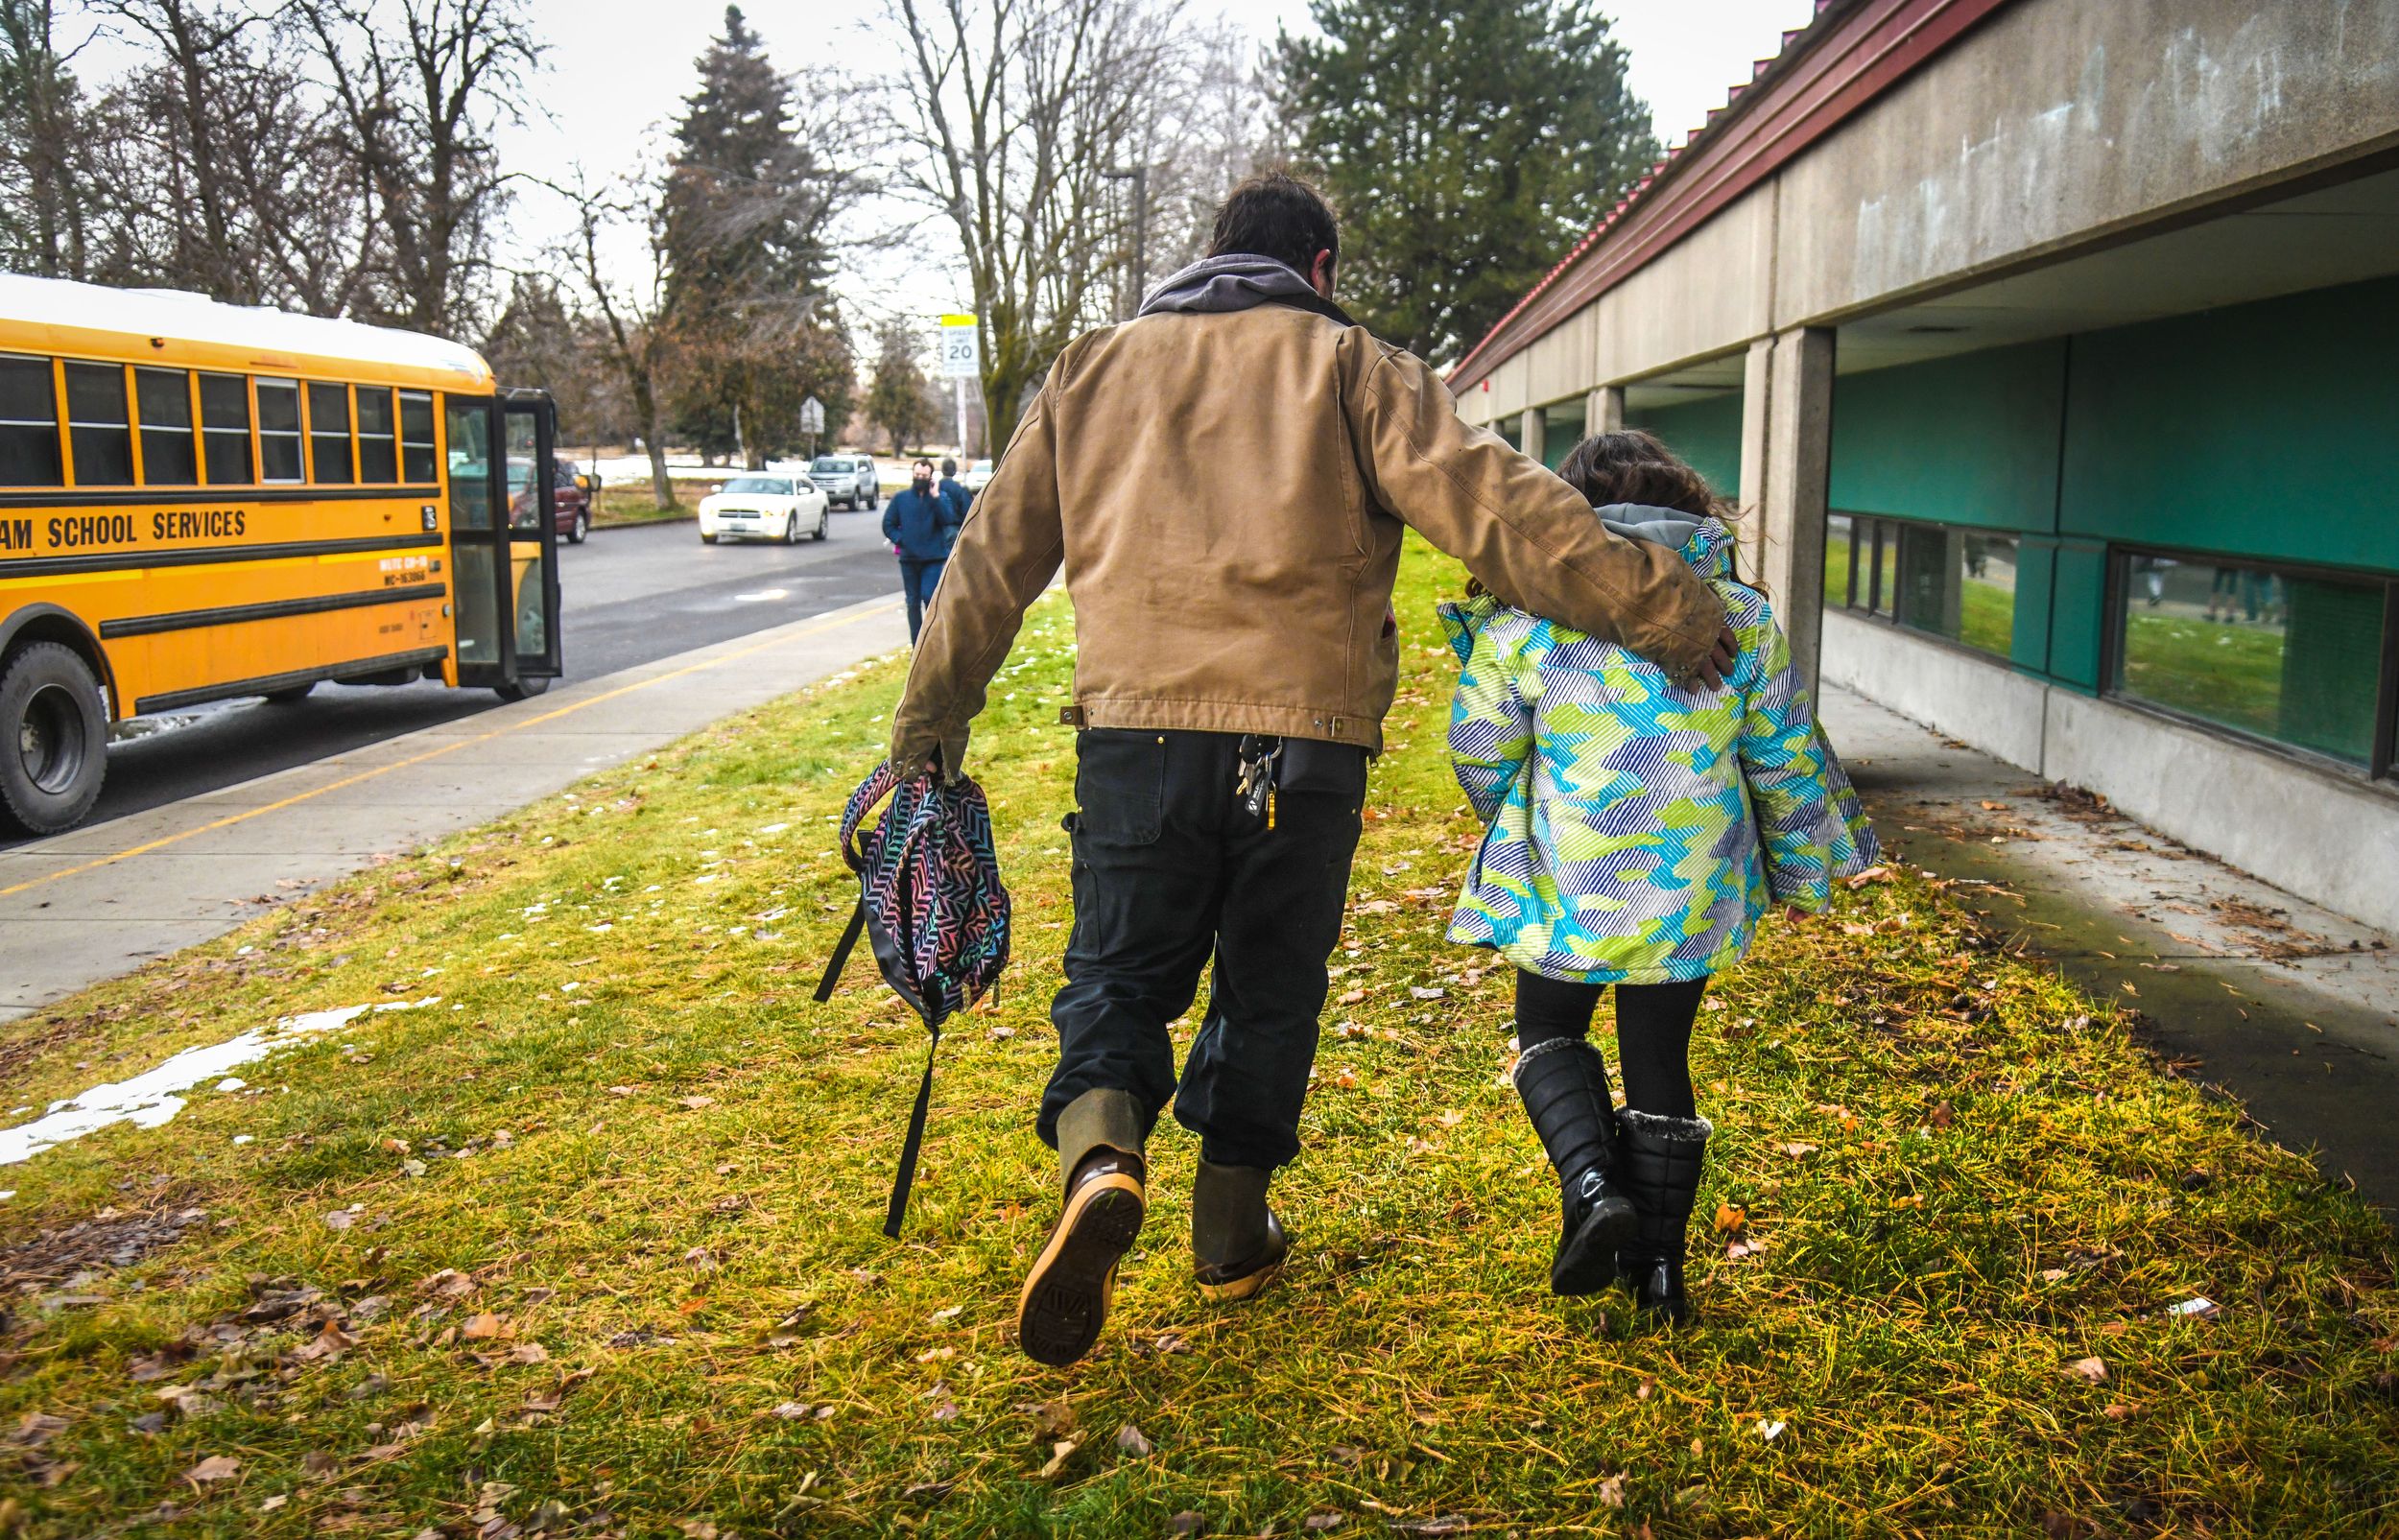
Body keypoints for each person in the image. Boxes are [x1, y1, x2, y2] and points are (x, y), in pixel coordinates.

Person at [883, 171, 1739, 1368]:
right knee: (1269, 986)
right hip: (1307, 750)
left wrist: (926, 733)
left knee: (1119, 973)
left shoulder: (1089, 371)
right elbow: (1505, 515)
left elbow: (984, 565)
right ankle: (1230, 1232)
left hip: (1135, 738)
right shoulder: (1353, 368)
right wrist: (1670, 608)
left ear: (1211, 254)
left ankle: (1103, 1158)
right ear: (1318, 268)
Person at [1441, 429, 1878, 1326]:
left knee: (1548, 1029)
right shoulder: (1736, 620)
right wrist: (1799, 873)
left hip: (1567, 878)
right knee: (1659, 1058)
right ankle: (1662, 1275)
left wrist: (1514, 815)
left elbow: (1478, 747)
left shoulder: (1529, 620)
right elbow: (1787, 759)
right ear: (1690, 509)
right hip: (1690, 889)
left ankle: (1593, 1184)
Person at [882, 459, 962, 643]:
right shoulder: (901, 499)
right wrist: (901, 540)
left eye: (924, 476)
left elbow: (947, 518)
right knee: (912, 602)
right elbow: (888, 524)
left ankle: (932, 640)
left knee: (929, 596)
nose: (920, 478)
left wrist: (935, 498)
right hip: (909, 559)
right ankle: (916, 644)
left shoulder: (938, 498)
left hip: (932, 558)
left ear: (931, 477)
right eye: (917, 475)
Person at [938, 457, 972, 522]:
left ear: (942, 470)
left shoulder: (934, 487)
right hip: (956, 526)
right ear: (955, 471)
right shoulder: (961, 489)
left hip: (937, 527)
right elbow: (966, 511)